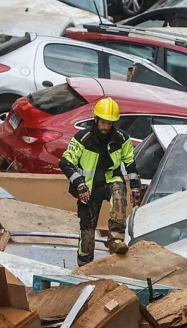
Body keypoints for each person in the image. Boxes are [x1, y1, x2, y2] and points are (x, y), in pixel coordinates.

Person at [59, 97, 142, 266]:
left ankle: (115, 241)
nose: (105, 127)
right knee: (87, 234)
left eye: (109, 123)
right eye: (103, 123)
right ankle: (84, 264)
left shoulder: (121, 138)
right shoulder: (83, 138)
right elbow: (65, 162)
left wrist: (135, 188)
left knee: (119, 196)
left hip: (111, 180)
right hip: (87, 188)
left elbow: (130, 164)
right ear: (95, 119)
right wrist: (80, 185)